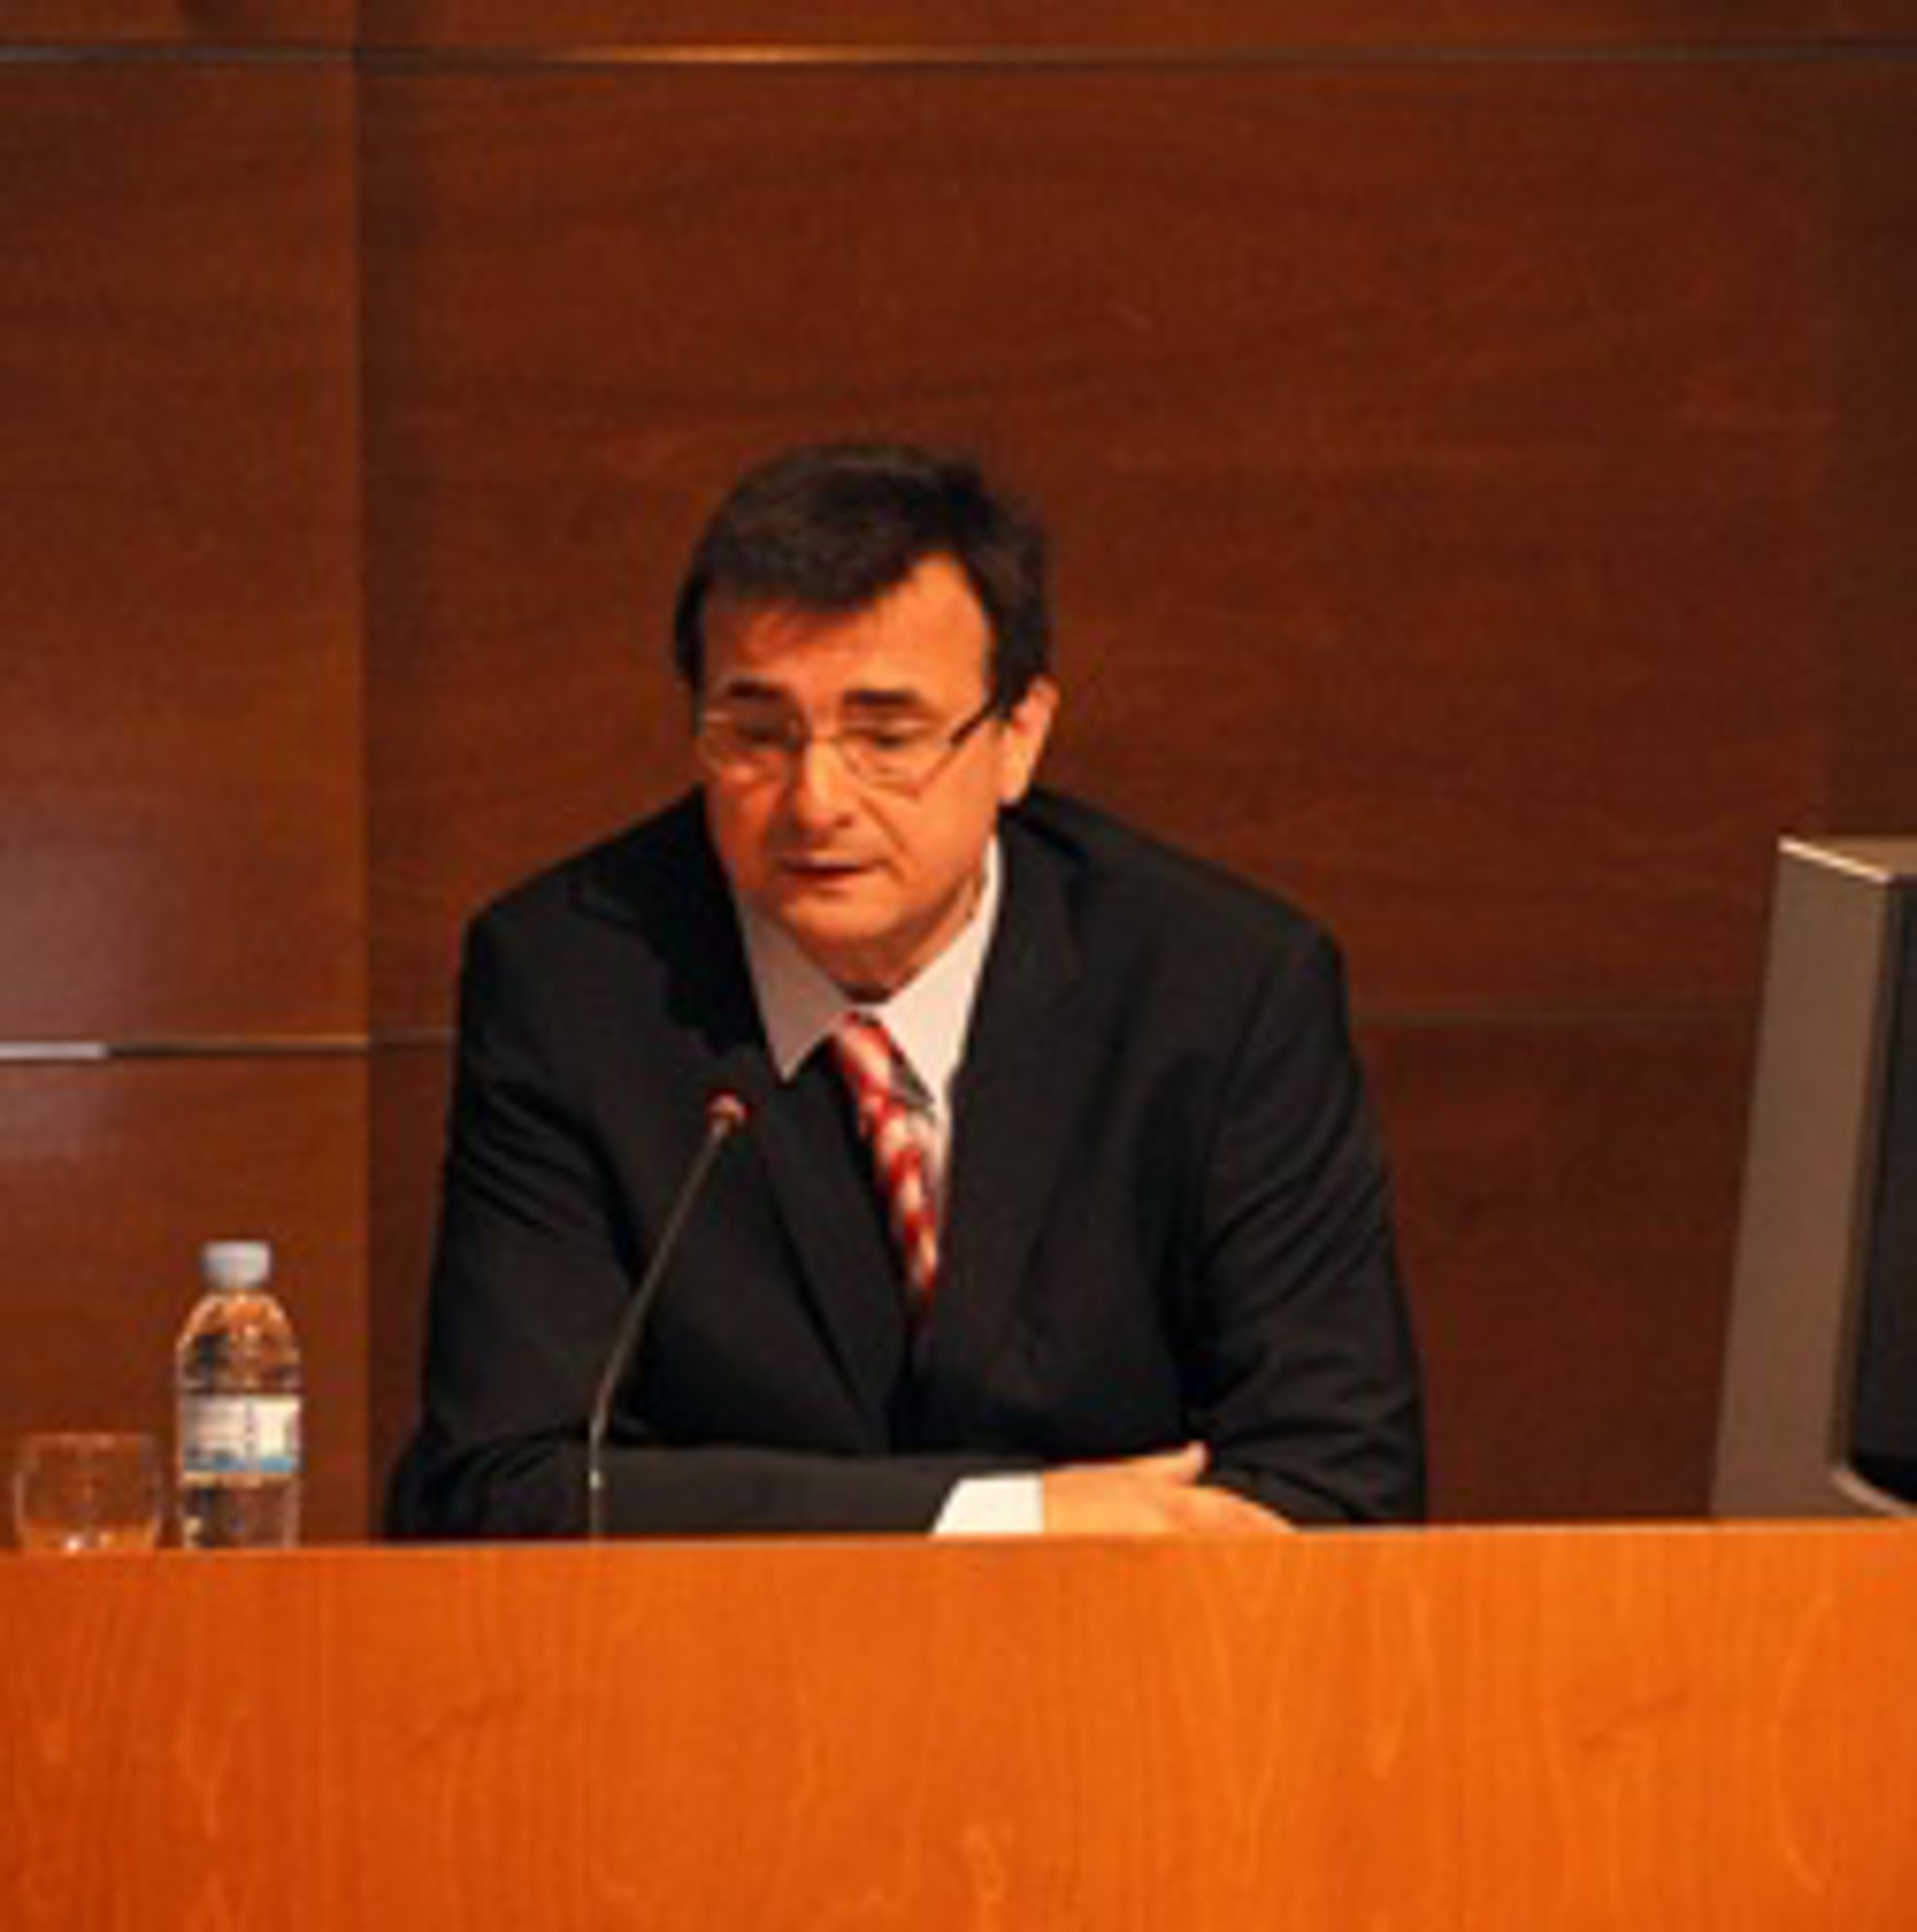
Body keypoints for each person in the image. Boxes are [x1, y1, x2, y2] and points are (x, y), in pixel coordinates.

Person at [388, 440, 1423, 1539]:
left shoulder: (1219, 988)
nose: (815, 801)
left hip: (1130, 1644)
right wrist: (1009, 1518)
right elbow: (504, 1491)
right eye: (756, 735)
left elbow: (1340, 1483)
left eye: (886, 737)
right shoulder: (575, 985)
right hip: (721, 1648)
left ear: (1018, 737)